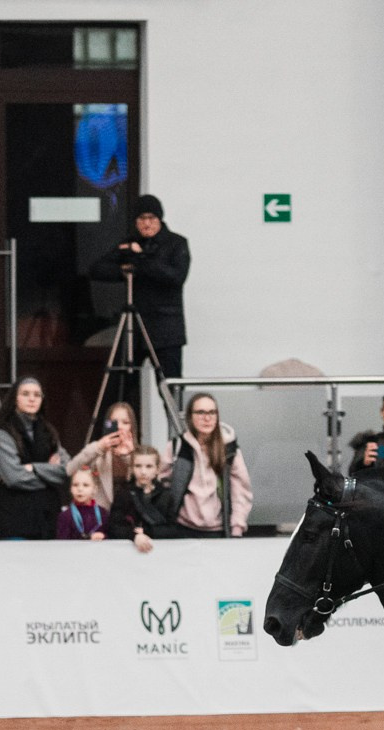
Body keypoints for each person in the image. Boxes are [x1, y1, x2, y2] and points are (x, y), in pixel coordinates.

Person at [0, 378, 109, 540]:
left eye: (37, 395)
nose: (31, 399)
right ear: (15, 398)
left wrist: (35, 468)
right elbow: (14, 477)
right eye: (25, 394)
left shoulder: (48, 431)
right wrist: (49, 474)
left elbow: (66, 470)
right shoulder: (2, 433)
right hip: (12, 522)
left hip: (47, 521)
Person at [86, 194, 190, 378]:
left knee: (170, 387)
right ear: (136, 221)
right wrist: (124, 271)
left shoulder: (176, 243)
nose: (147, 224)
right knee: (118, 384)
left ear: (159, 219)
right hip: (134, 327)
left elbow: (175, 277)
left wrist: (142, 258)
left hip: (166, 330)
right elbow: (96, 269)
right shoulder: (130, 243)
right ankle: (116, 409)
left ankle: (175, 409)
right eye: (142, 218)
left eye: (151, 218)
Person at [174, 393, 254, 536]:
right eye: (201, 412)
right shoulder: (178, 446)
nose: (207, 418)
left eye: (212, 412)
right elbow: (162, 482)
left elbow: (240, 491)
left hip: (218, 530)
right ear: (190, 416)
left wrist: (237, 527)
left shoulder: (229, 448)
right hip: (181, 528)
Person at [108, 444, 191, 552]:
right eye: (138, 466)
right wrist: (134, 536)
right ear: (132, 468)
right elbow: (114, 527)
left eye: (149, 466)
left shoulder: (166, 495)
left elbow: (173, 529)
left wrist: (147, 532)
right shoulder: (124, 494)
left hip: (160, 552)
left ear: (157, 469)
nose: (143, 472)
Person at [84, 400, 143, 509]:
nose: (120, 427)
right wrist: (100, 447)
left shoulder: (141, 455)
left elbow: (143, 481)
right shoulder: (97, 452)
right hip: (101, 515)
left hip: (130, 515)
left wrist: (129, 455)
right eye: (114, 422)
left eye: (125, 422)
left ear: (132, 427)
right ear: (108, 425)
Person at [55, 469, 109, 541]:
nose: (80, 489)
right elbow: (62, 544)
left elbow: (111, 538)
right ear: (70, 489)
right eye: (75, 485)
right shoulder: (65, 516)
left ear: (94, 489)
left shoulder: (103, 513)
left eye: (85, 485)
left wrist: (103, 536)